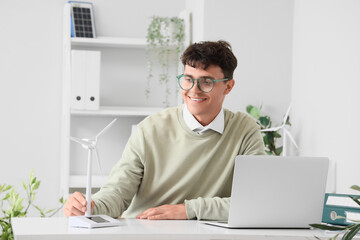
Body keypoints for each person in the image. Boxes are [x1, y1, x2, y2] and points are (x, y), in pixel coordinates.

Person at [63, 40, 265, 220]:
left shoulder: (244, 130)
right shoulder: (149, 129)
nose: (193, 90)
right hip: (143, 231)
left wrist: (188, 210)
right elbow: (117, 193)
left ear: (228, 87)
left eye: (206, 81)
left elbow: (254, 201)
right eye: (188, 79)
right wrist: (90, 206)